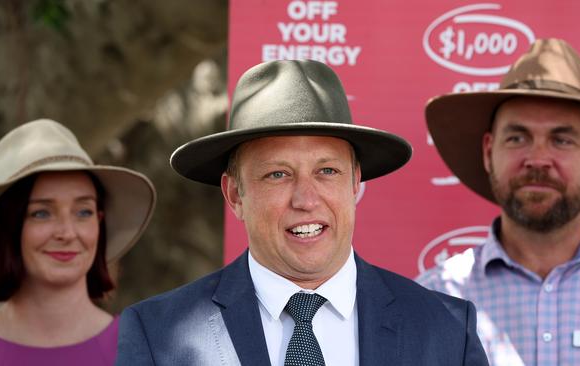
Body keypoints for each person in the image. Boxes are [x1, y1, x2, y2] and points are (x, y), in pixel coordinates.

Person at [116, 59, 489, 365]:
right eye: (278, 174)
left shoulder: (445, 330)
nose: (306, 199)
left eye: (327, 171)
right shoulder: (156, 335)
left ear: (355, 182)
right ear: (234, 195)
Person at [417, 38, 580, 365]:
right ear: (488, 152)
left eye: (562, 140)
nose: (538, 159)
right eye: (517, 138)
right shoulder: (436, 296)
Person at [0, 119, 156, 365]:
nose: (67, 232)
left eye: (83, 212)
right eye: (42, 213)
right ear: (8, 226)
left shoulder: (143, 350)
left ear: (100, 224)